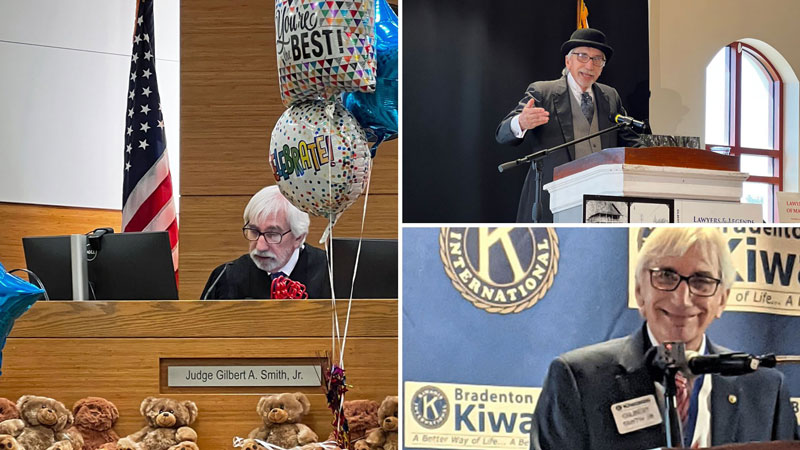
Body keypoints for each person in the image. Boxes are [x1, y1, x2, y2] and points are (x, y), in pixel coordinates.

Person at [531, 228, 798, 450]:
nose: (682, 299)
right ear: (639, 292)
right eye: (666, 276)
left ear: (722, 300)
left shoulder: (765, 388)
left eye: (701, 280)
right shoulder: (578, 379)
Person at [496, 28, 641, 223]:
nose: (589, 65)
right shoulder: (543, 92)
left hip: (603, 201)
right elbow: (502, 133)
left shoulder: (610, 96)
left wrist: (658, 158)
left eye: (597, 59)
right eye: (583, 56)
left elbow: (630, 141)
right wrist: (520, 122)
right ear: (568, 61)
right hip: (554, 199)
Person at [201, 185, 330, 299]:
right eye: (254, 231)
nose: (260, 246)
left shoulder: (330, 274)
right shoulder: (227, 276)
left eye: (272, 234)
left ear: (298, 238)